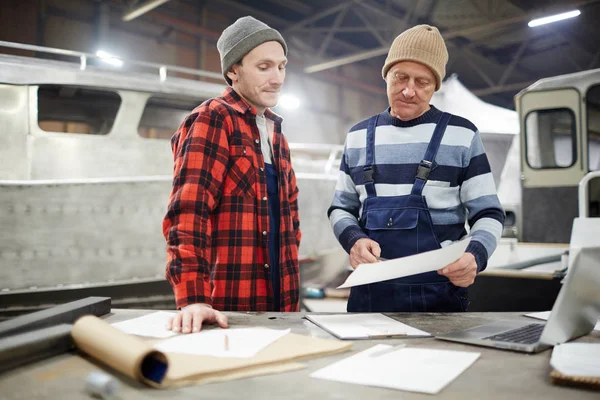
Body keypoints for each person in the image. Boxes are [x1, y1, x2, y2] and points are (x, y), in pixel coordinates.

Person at [328, 24, 505, 312]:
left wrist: (476, 254)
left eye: (422, 82)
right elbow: (341, 208)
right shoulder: (357, 136)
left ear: (436, 86)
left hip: (440, 297)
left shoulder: (462, 135)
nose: (409, 91)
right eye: (400, 77)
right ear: (386, 76)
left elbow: (489, 213)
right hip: (369, 298)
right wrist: (354, 240)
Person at [163, 16, 301, 333]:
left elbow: (291, 223)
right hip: (228, 310)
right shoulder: (212, 119)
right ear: (233, 71)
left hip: (282, 307)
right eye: (264, 67)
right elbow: (188, 214)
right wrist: (193, 298)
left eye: (281, 66)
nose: (278, 78)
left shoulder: (276, 133)